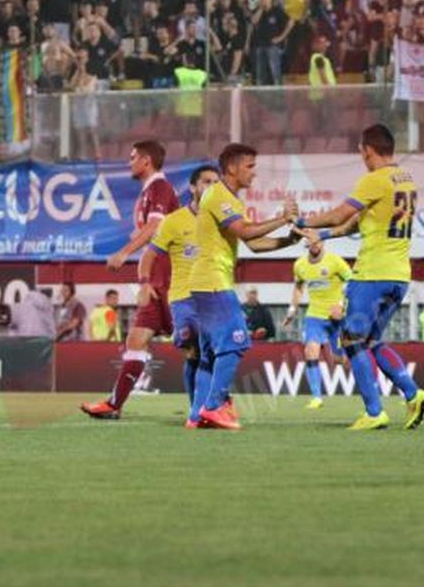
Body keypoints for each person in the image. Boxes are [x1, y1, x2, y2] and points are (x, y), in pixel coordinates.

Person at [299, 124, 424, 431]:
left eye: (361, 152)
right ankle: (414, 394)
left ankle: (374, 413)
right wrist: (320, 234)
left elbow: (339, 214)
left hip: (372, 273)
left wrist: (301, 220)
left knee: (350, 339)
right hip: (399, 276)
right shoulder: (406, 179)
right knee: (372, 340)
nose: (362, 157)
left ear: (368, 150)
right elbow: (353, 225)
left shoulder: (374, 180)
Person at [186, 143, 304, 430]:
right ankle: (214, 407)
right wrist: (282, 217)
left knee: (209, 354)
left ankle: (195, 416)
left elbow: (253, 243)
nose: (254, 172)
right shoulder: (217, 195)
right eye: (250, 166)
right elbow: (246, 231)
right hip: (213, 281)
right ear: (231, 168)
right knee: (237, 341)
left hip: (206, 282)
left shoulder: (230, 200)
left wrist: (289, 239)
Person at [84, 140, 179, 420]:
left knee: (193, 345)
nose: (129, 162)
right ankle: (114, 406)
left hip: (174, 280)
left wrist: (125, 252)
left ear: (146, 161)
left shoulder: (160, 188)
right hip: (155, 281)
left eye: (133, 157)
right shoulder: (148, 192)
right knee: (136, 340)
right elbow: (151, 233)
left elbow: (156, 227)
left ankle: (218, 401)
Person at [139, 165, 221, 413]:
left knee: (207, 355)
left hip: (213, 297)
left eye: (216, 183)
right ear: (193, 188)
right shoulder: (174, 221)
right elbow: (149, 257)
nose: (212, 187)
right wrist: (144, 283)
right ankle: (196, 410)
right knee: (193, 348)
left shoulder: (222, 221)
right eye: (207, 182)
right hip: (183, 297)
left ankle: (206, 407)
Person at [283, 238, 352, 409]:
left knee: (338, 360)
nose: (314, 245)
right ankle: (316, 397)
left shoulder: (335, 261)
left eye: (317, 242)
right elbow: (299, 287)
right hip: (314, 316)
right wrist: (292, 310)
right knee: (310, 351)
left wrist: (341, 305)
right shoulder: (300, 265)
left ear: (323, 243)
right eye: (311, 242)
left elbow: (351, 282)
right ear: (306, 245)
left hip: (336, 317)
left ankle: (366, 377)